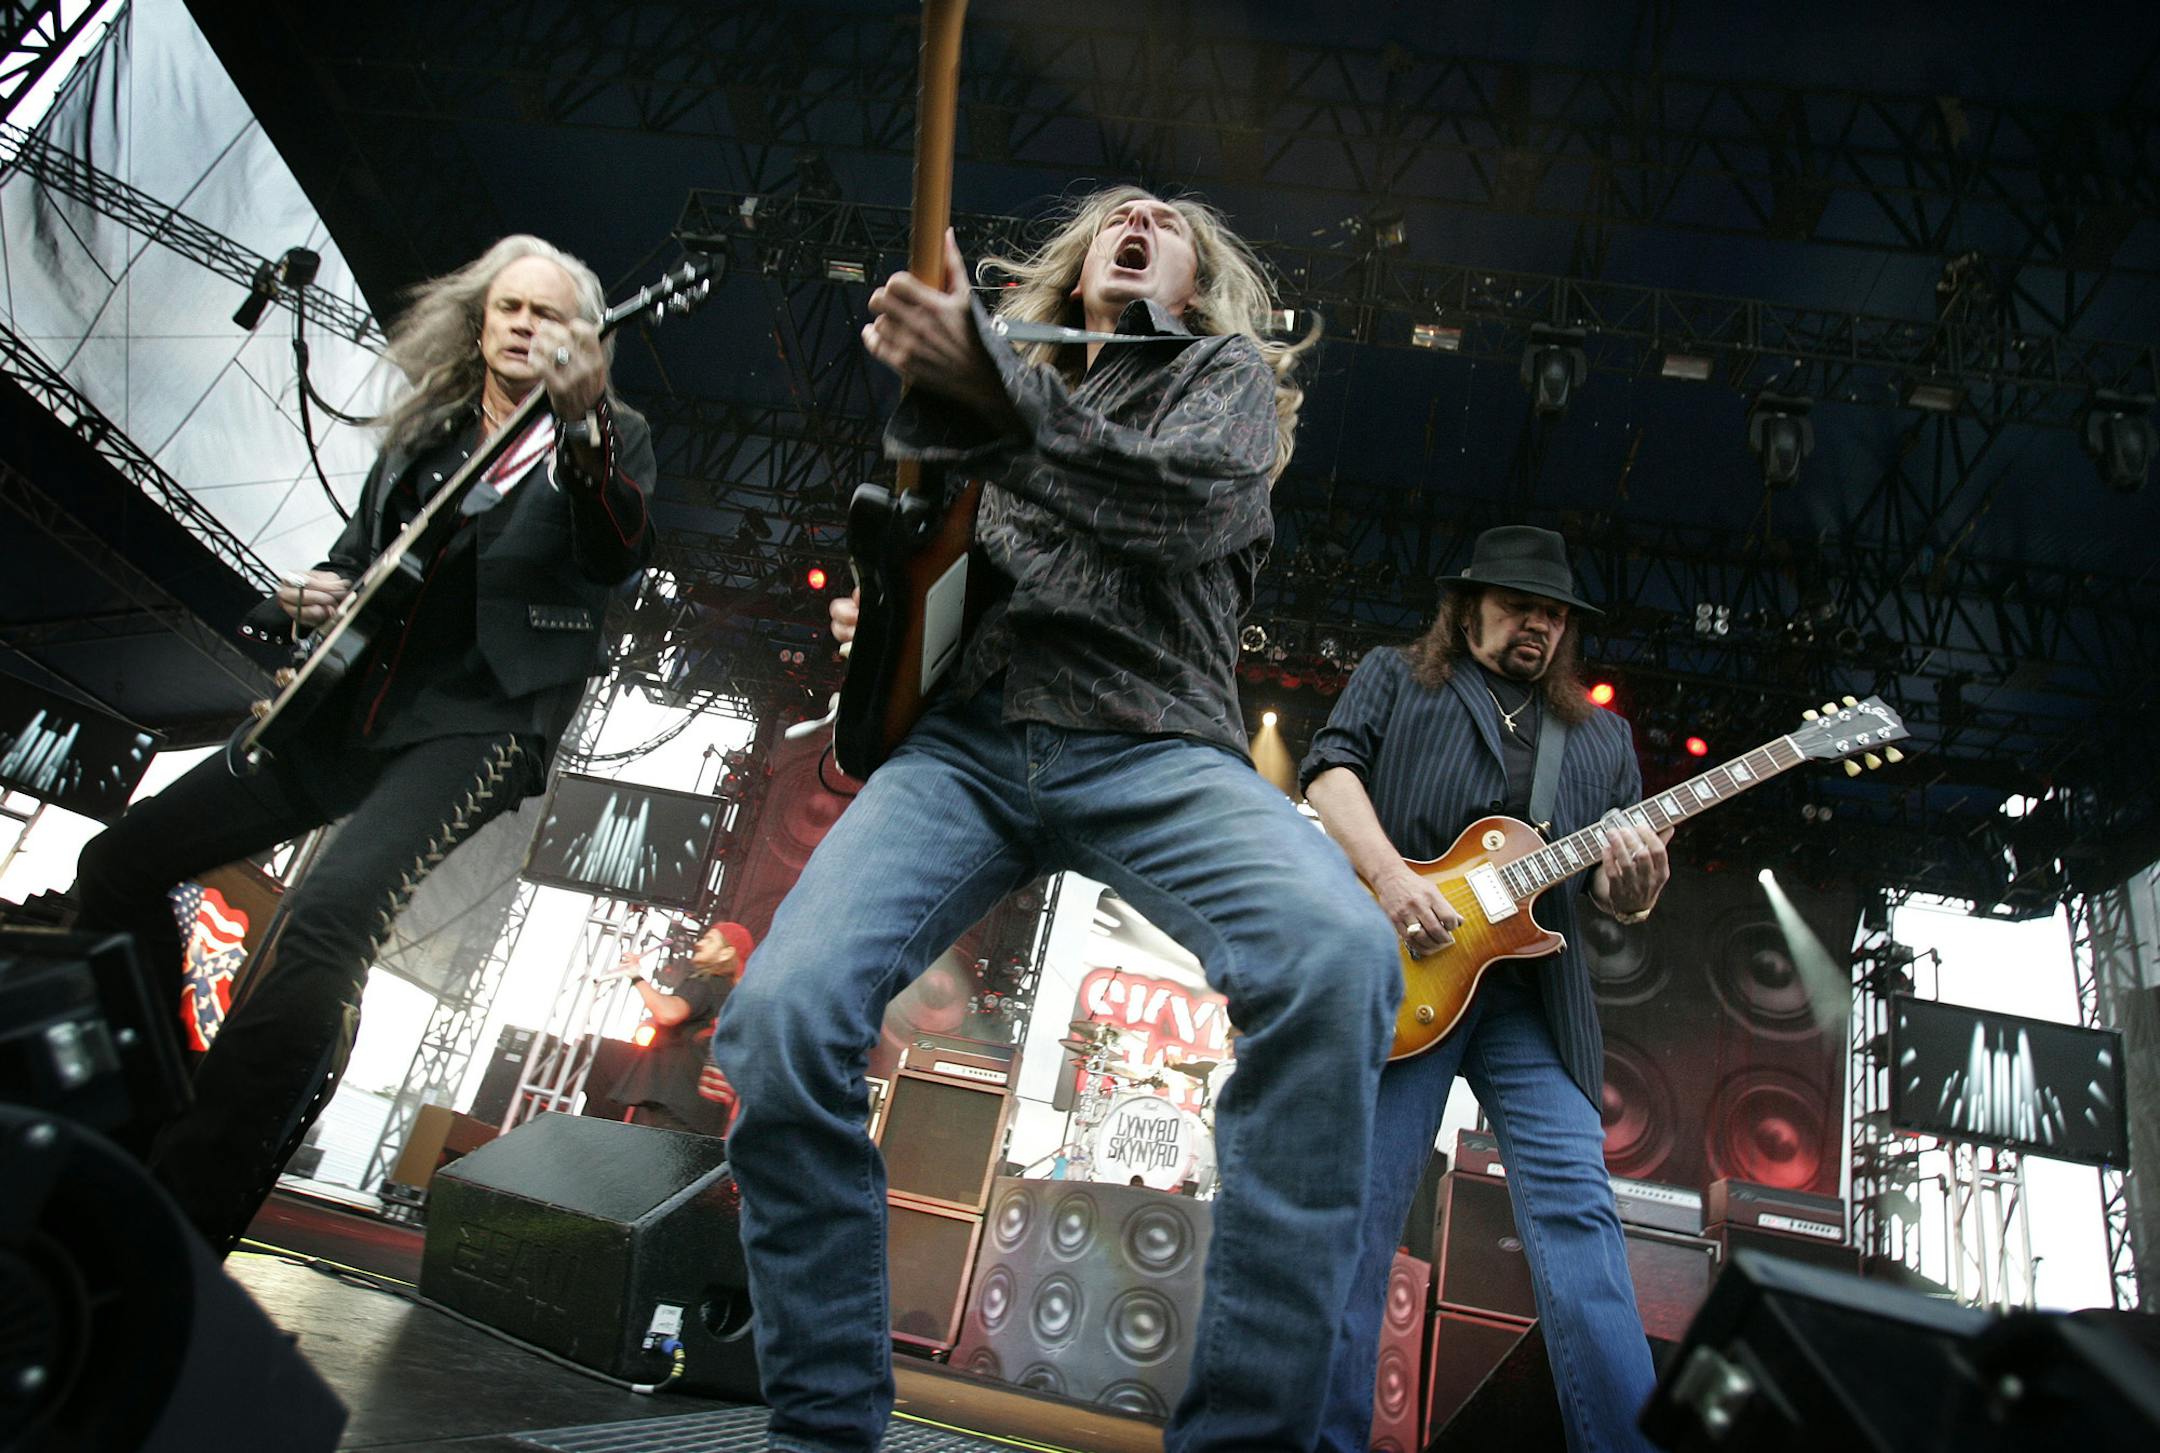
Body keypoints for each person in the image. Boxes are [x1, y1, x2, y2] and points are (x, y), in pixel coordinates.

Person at [710, 186, 1401, 1453]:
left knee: (1340, 956)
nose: (1139, 217)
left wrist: (993, 392)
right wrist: (890, 627)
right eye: (1117, 213)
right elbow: (940, 570)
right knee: (780, 1017)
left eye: (1172, 220)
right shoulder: (993, 389)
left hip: (1157, 745)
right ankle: (819, 1428)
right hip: (968, 749)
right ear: (1081, 262)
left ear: (1190, 278)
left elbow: (1176, 506)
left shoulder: (1223, 373)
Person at [70, 235, 655, 1256]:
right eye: (509, 307)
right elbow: (354, 561)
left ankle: (177, 1218)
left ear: (589, 339)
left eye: (550, 314)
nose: (525, 325)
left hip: (479, 713)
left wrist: (587, 426)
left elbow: (614, 549)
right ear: (480, 321)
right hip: (349, 709)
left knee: (329, 914)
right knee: (117, 859)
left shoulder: (605, 434)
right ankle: (149, 1100)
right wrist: (311, 595)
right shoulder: (424, 436)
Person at [1301, 525, 1671, 1453]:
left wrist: (1636, 885)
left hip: (1533, 1003)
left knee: (1580, 1213)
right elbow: (1330, 770)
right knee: (1366, 1213)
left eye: (1554, 615)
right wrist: (1390, 877)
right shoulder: (1398, 677)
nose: (1539, 627)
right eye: (1520, 607)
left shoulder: (1602, 740)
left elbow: (1614, 890)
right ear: (1468, 606)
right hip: (1405, 975)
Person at [595, 919, 754, 1134]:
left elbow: (668, 1013)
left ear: (726, 953)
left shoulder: (705, 983)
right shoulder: (732, 998)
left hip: (674, 1106)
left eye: (709, 940)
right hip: (703, 1115)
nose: (699, 943)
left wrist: (635, 976)